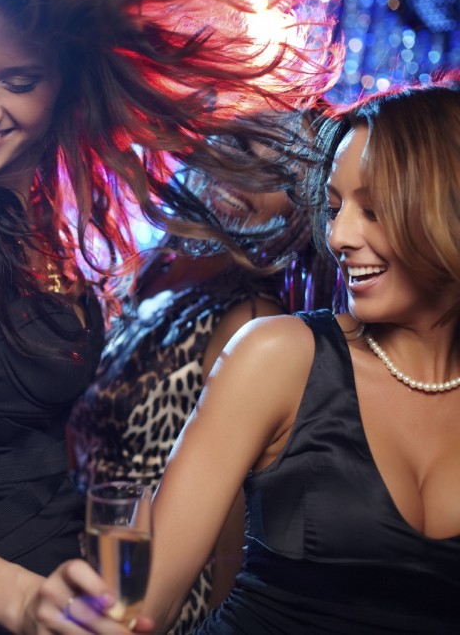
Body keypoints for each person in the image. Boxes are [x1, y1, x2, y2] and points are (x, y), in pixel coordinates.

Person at [0, 0, 341, 632]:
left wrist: (105, 599)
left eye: (18, 80)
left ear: (64, 86)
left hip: (66, 602)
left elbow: (82, 472)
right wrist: (25, 601)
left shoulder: (33, 218)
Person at [138, 75, 460, 634]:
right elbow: (144, 607)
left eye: (375, 209)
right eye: (334, 207)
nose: (338, 236)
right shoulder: (278, 355)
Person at [69, 134, 337, 634]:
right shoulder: (160, 269)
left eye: (278, 174)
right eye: (240, 142)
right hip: (88, 583)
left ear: (303, 212)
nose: (243, 173)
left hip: (155, 612)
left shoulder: (249, 323)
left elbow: (234, 553)